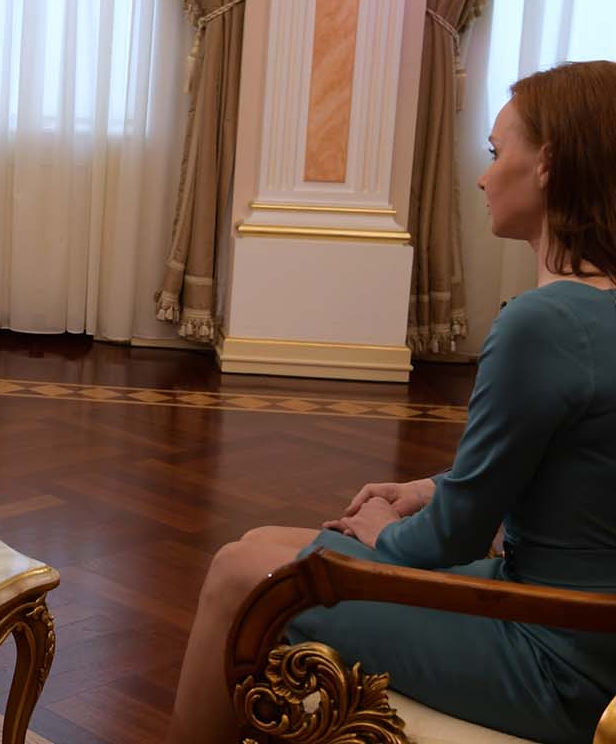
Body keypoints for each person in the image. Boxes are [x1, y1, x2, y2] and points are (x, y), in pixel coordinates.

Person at [165, 60, 616, 744]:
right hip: (585, 628)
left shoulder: (544, 322)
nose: (483, 177)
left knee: (239, 573)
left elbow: (453, 539)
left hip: (554, 653)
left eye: (497, 152)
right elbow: (577, 475)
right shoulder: (592, 314)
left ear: (547, 165)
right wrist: (432, 488)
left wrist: (382, 528)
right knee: (259, 545)